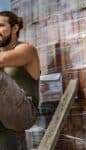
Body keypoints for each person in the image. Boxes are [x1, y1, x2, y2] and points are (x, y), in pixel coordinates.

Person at [0, 11, 40, 150]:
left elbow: (2, 60)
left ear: (15, 28)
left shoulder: (26, 49)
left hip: (25, 111)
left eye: (0, 26)